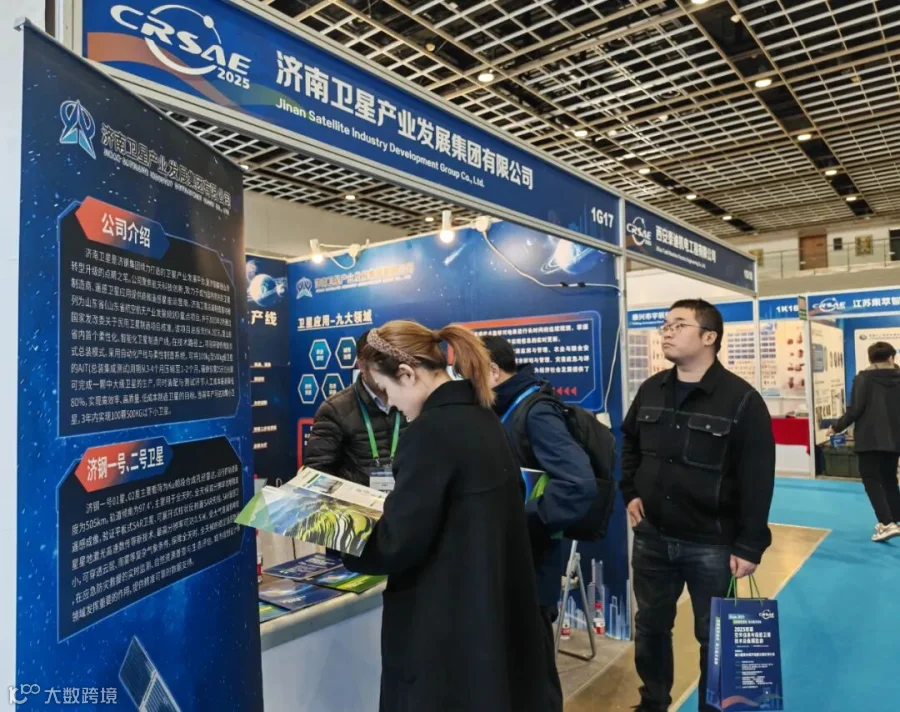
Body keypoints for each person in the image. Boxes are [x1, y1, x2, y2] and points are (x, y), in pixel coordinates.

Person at [342, 321, 554, 712]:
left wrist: (338, 531)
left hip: (444, 630)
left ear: (407, 374)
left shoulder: (430, 434)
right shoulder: (483, 418)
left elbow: (397, 543)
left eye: (385, 390)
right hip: (488, 617)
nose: (390, 405)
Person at [621, 299, 775, 712]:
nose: (667, 331)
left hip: (712, 542)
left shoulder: (742, 400)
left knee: (715, 636)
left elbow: (757, 477)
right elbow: (630, 442)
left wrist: (750, 544)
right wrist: (629, 490)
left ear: (709, 337)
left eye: (679, 325)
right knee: (651, 626)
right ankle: (653, 701)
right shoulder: (651, 389)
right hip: (653, 537)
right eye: (665, 324)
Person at [483, 334, 596, 712]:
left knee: (534, 672)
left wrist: (521, 518)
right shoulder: (502, 408)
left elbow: (578, 485)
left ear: (492, 371)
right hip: (509, 559)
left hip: (532, 561)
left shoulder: (534, 411)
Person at [304, 330, 407, 488]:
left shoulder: (410, 400)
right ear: (361, 364)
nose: (387, 371)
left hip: (407, 498)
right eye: (379, 364)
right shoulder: (336, 409)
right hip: (358, 501)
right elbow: (317, 471)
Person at [828, 341, 900, 542]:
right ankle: (895, 518)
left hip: (869, 437)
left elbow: (855, 409)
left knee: (871, 479)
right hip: (895, 438)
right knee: (889, 478)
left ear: (870, 359)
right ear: (891, 357)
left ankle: (886, 523)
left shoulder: (863, 379)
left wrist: (836, 427)